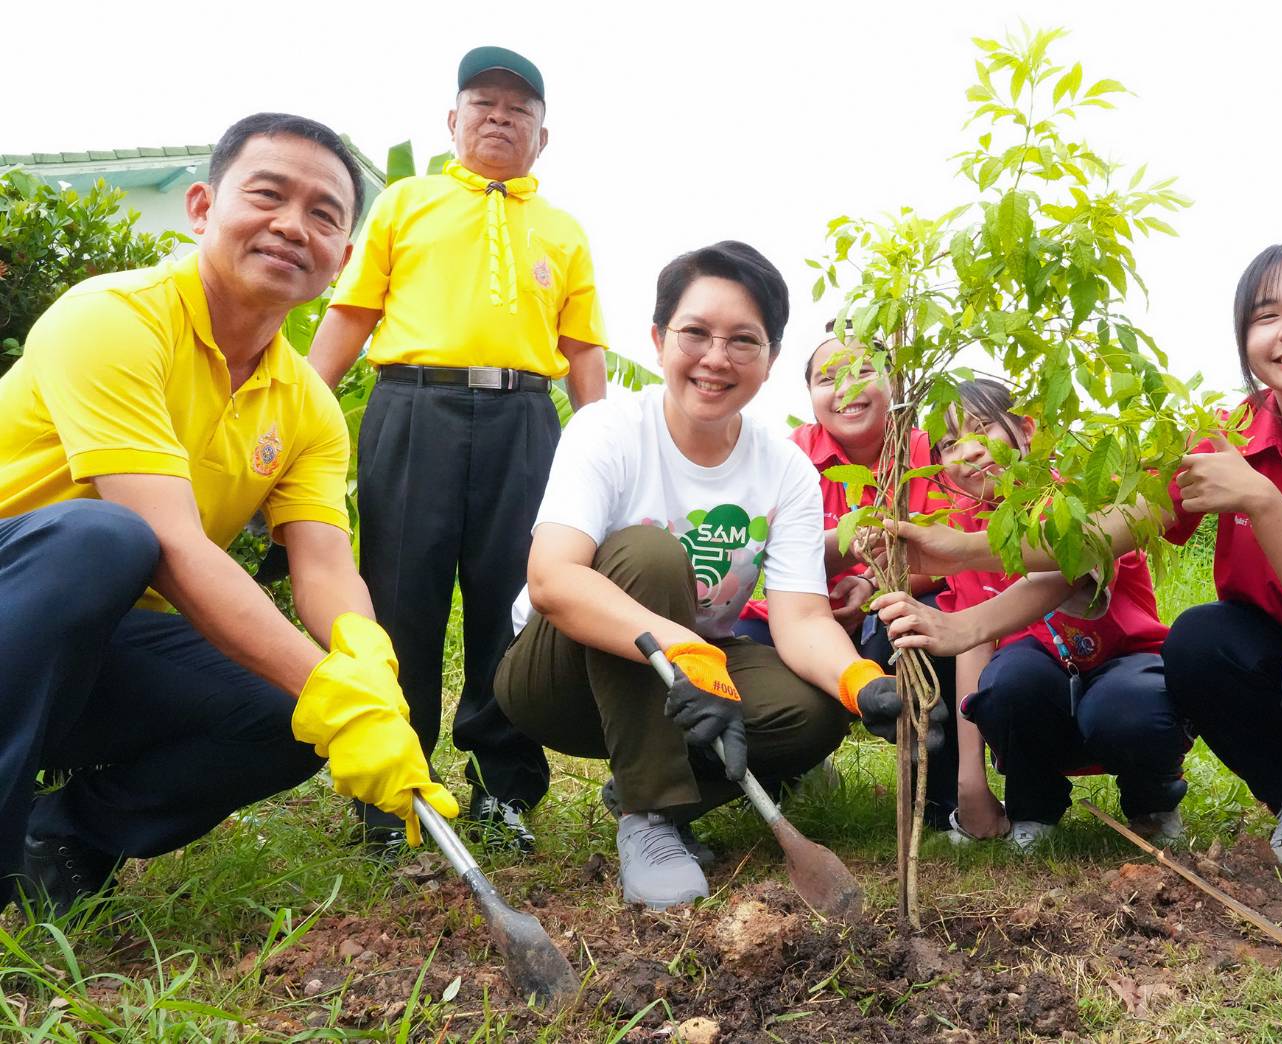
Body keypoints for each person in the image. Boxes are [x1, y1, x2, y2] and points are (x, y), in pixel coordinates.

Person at [880, 239, 1282, 884]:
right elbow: (1102, 533)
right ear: (1245, 342)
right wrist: (964, 549)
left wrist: (1260, 499)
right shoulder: (1229, 434)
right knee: (1201, 640)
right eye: (1266, 316)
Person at [0, 113, 456, 917]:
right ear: (203, 207)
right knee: (104, 539)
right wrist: (329, 690)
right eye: (268, 195)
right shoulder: (114, 317)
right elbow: (170, 543)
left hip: (92, 641)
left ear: (343, 257)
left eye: (323, 214)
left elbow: (324, 564)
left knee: (286, 714)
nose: (293, 226)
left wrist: (364, 667)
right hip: (21, 604)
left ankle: (62, 839)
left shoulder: (307, 406)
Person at [493, 241, 944, 909]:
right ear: (658, 339)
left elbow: (801, 617)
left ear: (770, 359)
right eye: (696, 333)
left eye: (742, 340)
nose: (716, 357)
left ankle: (664, 791)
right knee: (647, 554)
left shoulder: (783, 470)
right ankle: (652, 814)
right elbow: (554, 580)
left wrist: (862, 683)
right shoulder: (609, 429)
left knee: (811, 712)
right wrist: (686, 650)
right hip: (561, 676)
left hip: (692, 678)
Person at [308, 46, 608, 852]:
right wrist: (298, 409)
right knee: (399, 595)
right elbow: (351, 314)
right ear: (453, 120)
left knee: (511, 603)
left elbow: (583, 350)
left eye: (519, 110)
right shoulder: (405, 202)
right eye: (483, 104)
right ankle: (391, 796)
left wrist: (603, 450)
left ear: (543, 135)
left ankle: (503, 790)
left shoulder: (564, 231)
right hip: (414, 409)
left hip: (525, 419)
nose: (500, 118)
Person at [873, 379, 1186, 848]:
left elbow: (1068, 572)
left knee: (1129, 706)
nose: (970, 451)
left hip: (1122, 662)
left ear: (1026, 429)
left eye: (983, 428)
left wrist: (966, 555)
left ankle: (1153, 800)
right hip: (1039, 674)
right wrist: (970, 784)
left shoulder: (1081, 494)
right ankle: (1033, 808)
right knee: (1008, 685)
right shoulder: (961, 521)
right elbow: (971, 642)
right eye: (950, 443)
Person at [732, 324, 959, 829]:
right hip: (805, 611)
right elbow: (765, 551)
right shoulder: (788, 456)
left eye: (862, 372)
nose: (846, 389)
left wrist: (876, 587)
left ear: (893, 382)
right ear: (809, 394)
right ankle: (781, 777)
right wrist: (831, 579)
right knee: (742, 649)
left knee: (927, 628)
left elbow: (956, 543)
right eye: (828, 378)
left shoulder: (928, 451)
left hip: (896, 605)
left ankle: (940, 802)